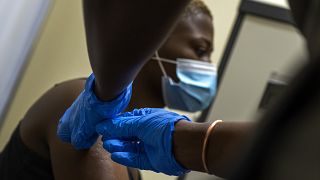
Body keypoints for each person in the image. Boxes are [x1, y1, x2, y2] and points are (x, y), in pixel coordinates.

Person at [95, 0, 320, 179]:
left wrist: (193, 142)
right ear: (149, 43)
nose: (209, 66)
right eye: (201, 50)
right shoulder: (91, 116)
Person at [0, 0, 194, 179]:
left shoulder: (126, 146)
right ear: (154, 42)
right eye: (200, 50)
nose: (209, 67)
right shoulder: (78, 104)